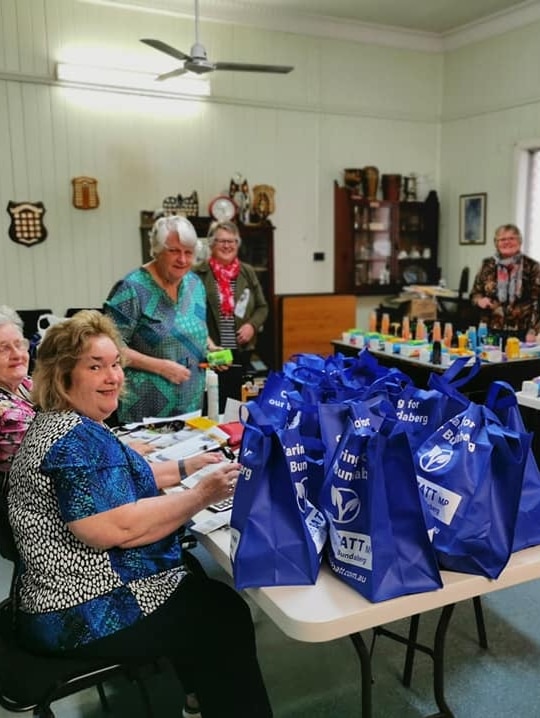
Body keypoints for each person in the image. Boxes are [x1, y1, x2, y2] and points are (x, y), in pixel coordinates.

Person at [8, 310, 273, 718]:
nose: (113, 376)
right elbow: (118, 528)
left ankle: (199, 697)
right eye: (95, 367)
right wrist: (202, 494)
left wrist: (189, 468)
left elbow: (118, 479)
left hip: (60, 592)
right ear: (63, 377)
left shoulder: (62, 423)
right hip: (75, 611)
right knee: (224, 615)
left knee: (192, 576)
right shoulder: (73, 442)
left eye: (115, 364)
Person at [104, 215, 209, 424]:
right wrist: (161, 367)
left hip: (191, 401)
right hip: (146, 406)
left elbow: (196, 327)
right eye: (174, 251)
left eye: (188, 253)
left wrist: (210, 348)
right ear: (157, 250)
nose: (182, 260)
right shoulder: (132, 288)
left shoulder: (195, 284)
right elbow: (110, 348)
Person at [195, 220, 268, 408]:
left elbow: (262, 307)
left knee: (238, 403)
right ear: (211, 243)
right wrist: (209, 346)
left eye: (232, 241)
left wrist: (252, 325)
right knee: (212, 403)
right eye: (221, 241)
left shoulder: (247, 272)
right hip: (212, 352)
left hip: (241, 352)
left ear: (238, 244)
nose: (227, 245)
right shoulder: (198, 274)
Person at [470, 223, 540, 340]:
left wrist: (533, 331)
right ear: (496, 243)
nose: (507, 242)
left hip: (522, 332)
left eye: (511, 238)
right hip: (490, 329)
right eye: (502, 239)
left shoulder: (532, 267)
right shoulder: (487, 265)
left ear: (519, 241)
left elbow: (537, 301)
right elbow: (475, 293)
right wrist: (479, 300)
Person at [0, 306, 35, 488]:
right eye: (3, 349)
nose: (17, 355)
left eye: (19, 344)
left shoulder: (26, 384)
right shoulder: (6, 413)